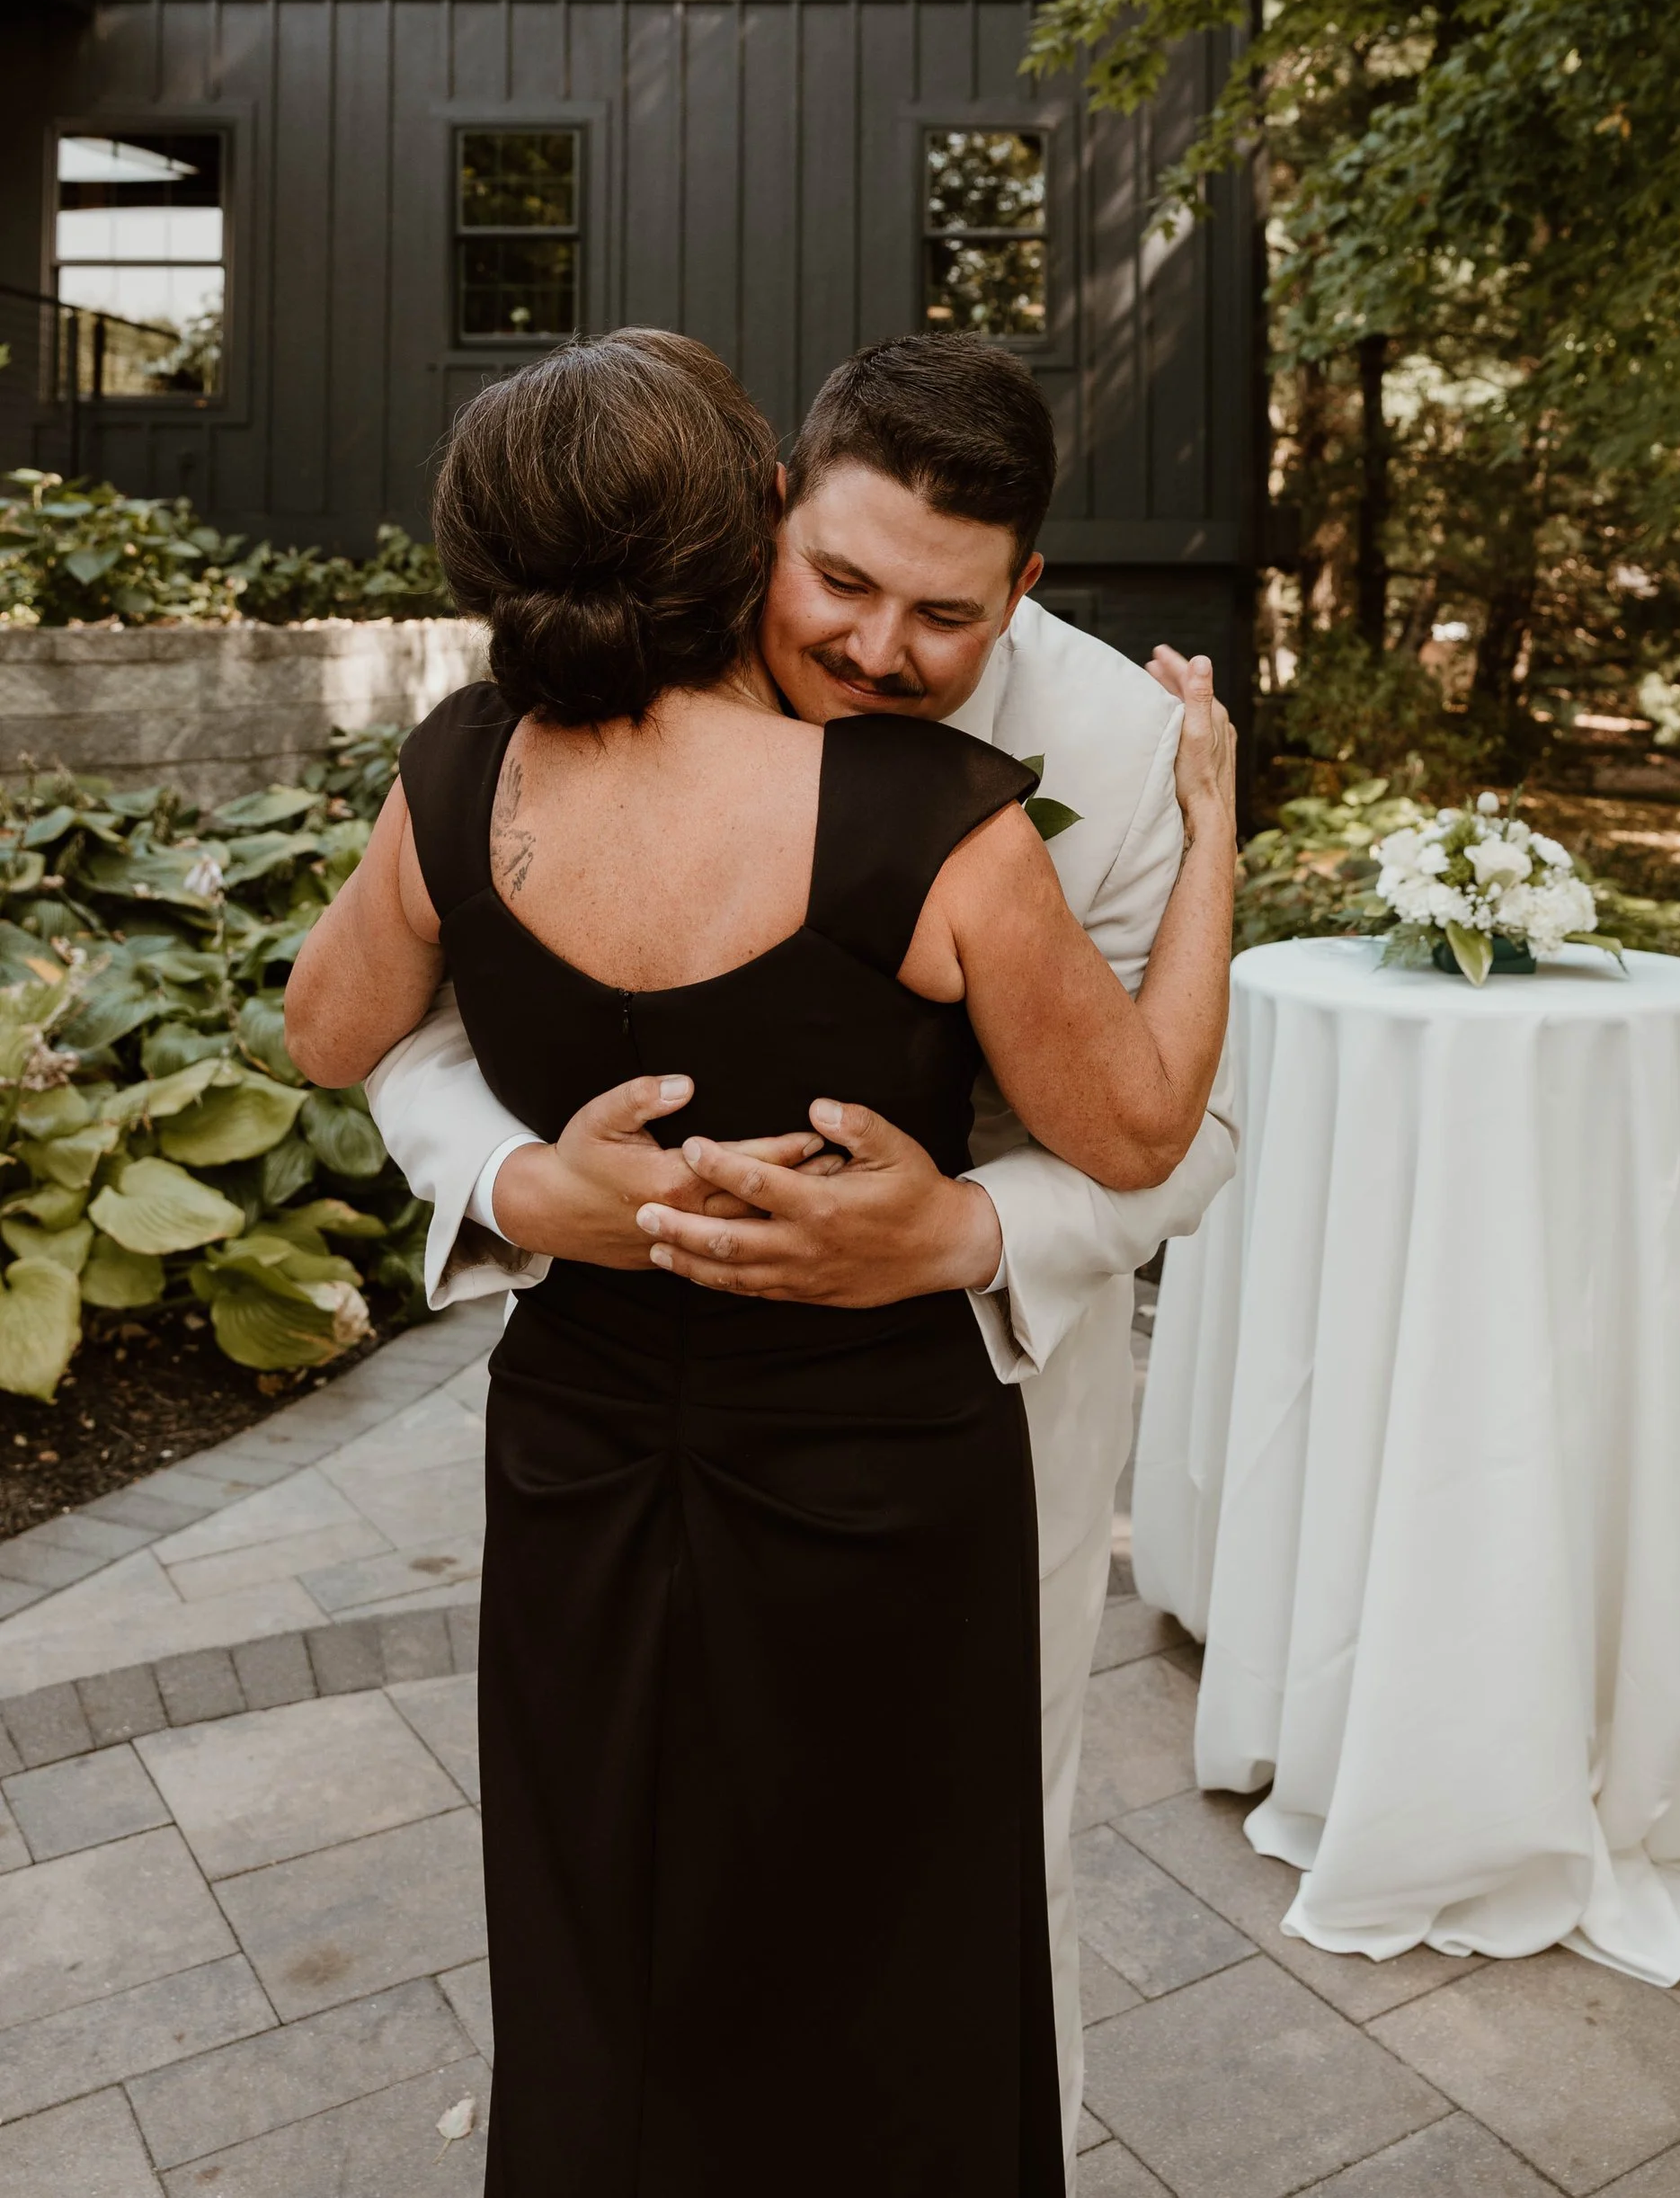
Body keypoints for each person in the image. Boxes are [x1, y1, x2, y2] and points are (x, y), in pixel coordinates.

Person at [285, 331, 1236, 2198]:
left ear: (1025, 588)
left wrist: (964, 1227)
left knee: (662, 1902)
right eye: (843, 583)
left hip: (851, 1390)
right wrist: (518, 1185)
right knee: (845, 1940)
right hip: (828, 1450)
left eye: (942, 615)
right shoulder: (935, 822)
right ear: (760, 521)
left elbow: (327, 1027)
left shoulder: (469, 759)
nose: (879, 648)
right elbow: (1143, 1114)